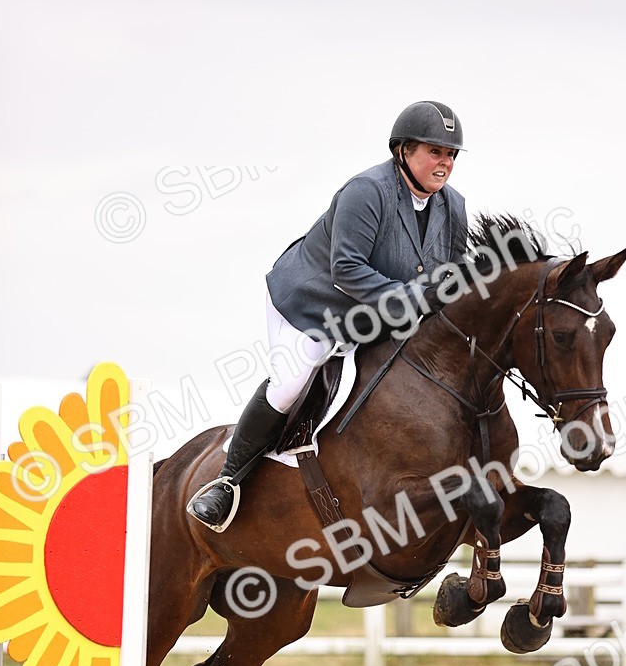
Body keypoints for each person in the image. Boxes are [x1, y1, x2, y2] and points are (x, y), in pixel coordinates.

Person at [188, 99, 468, 531]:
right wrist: (414, 298)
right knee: (291, 382)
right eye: (435, 151)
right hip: (315, 303)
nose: (444, 162)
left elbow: (449, 278)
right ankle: (226, 483)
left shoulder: (453, 207)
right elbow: (348, 268)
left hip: (379, 314)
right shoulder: (366, 191)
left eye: (450, 154)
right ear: (403, 151)